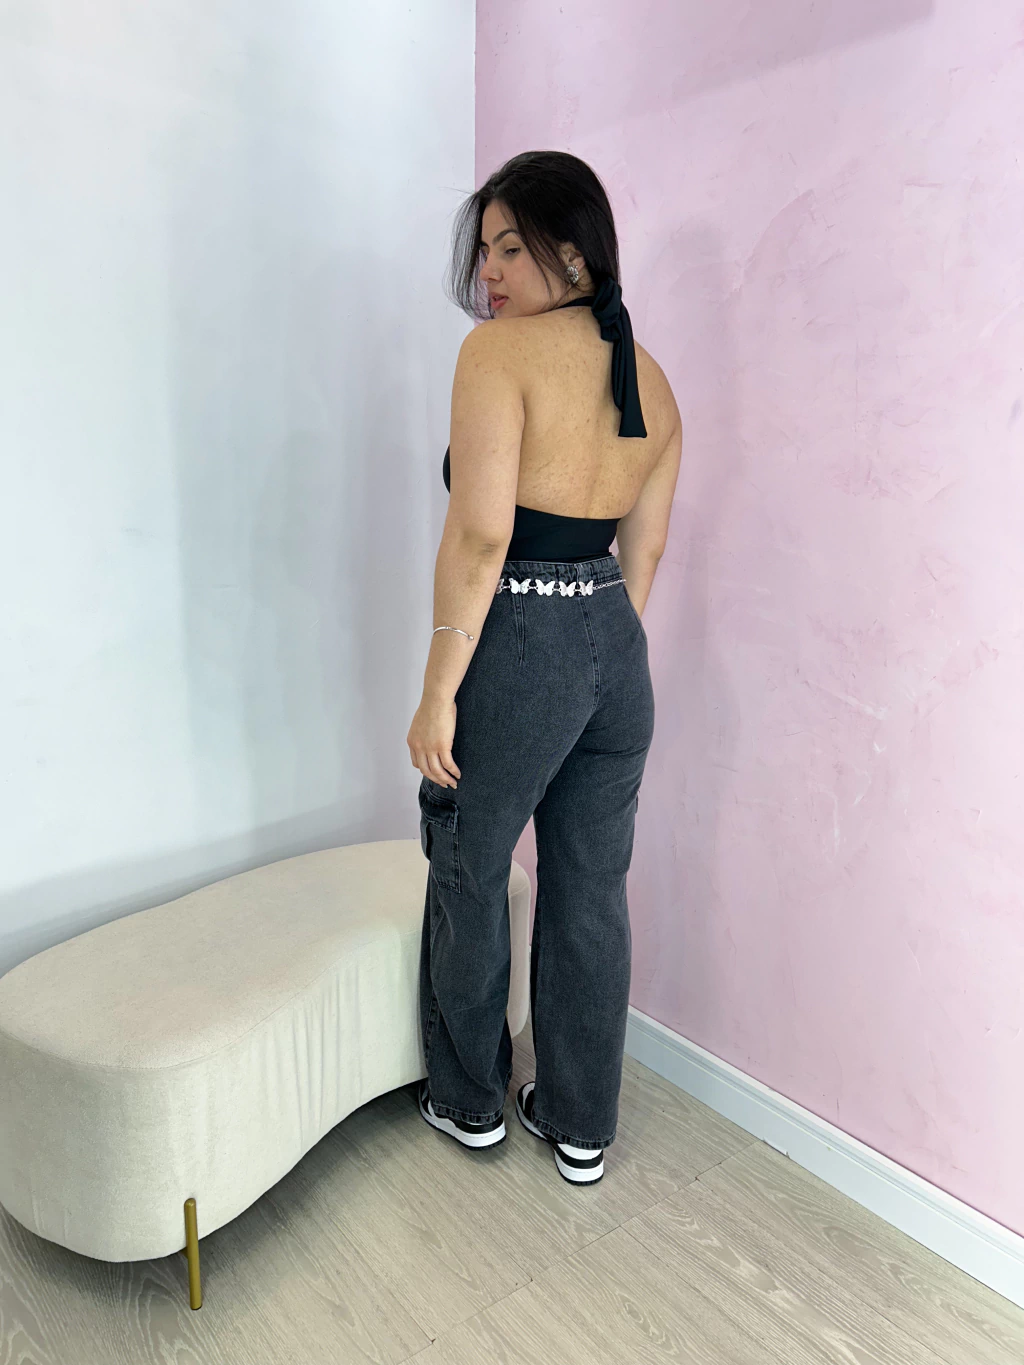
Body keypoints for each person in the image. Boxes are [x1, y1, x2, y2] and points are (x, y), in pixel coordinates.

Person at [406, 150, 681, 1187]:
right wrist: (596, 657)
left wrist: (439, 691)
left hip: (517, 636)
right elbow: (643, 552)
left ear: (573, 252)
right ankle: (577, 1121)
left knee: (470, 865)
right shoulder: (653, 380)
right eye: (483, 250)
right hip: (616, 648)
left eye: (510, 248)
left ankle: (469, 1098)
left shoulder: (498, 355)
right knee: (590, 889)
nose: (489, 272)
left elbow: (481, 537)